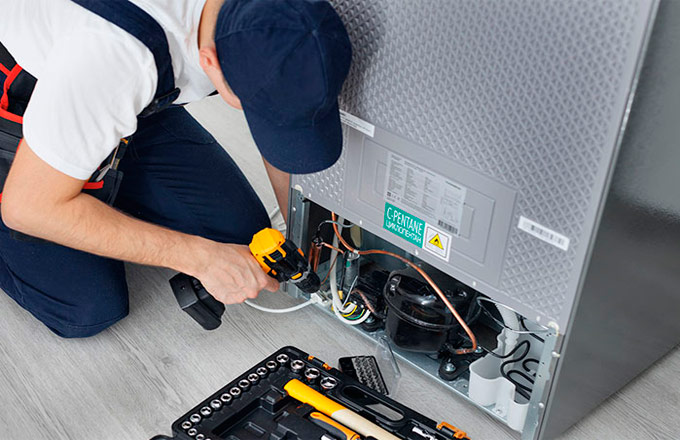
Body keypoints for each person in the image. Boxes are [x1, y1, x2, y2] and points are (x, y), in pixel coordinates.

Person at [0, 0, 352, 338]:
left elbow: (280, 112)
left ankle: (90, 169)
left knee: (242, 236)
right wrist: (200, 259)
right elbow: (28, 207)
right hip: (23, 88)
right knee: (86, 308)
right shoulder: (115, 58)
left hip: (122, 92)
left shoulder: (270, 21)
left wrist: (304, 231)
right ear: (209, 61)